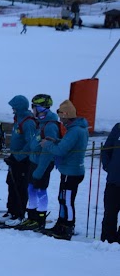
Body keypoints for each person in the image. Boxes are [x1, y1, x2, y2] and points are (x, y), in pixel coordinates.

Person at [39, 100, 88, 240]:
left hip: (71, 171)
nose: (60, 120)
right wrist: (55, 141)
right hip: (68, 170)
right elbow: (66, 145)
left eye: (62, 117)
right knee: (62, 198)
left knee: (67, 200)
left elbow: (61, 151)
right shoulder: (76, 129)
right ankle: (61, 223)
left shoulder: (75, 131)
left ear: (67, 116)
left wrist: (47, 144)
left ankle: (68, 226)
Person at [15, 94, 60, 231]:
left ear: (41, 108)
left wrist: (40, 170)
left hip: (42, 164)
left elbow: (48, 152)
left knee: (40, 190)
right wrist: (17, 156)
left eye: (34, 107)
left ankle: (40, 219)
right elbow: (33, 144)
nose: (32, 110)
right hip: (34, 162)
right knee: (31, 189)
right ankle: (31, 217)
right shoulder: (40, 124)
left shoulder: (50, 126)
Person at [1, 95, 37, 225]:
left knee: (20, 186)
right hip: (15, 159)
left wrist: (19, 156)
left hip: (23, 161)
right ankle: (11, 210)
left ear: (20, 107)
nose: (13, 110)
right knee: (11, 183)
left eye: (14, 107)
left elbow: (31, 144)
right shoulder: (18, 119)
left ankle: (19, 213)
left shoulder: (28, 122)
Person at [101, 122, 120, 244]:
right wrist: (108, 166)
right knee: (109, 213)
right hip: (114, 181)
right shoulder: (118, 128)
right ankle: (107, 242)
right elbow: (106, 149)